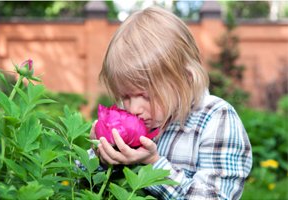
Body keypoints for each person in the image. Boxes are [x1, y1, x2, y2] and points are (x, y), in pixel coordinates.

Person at [90, 6, 252, 200]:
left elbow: (214, 197)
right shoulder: (135, 122)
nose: (133, 109)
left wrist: (153, 165)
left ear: (185, 78)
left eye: (146, 96)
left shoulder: (216, 119)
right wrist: (100, 156)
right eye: (125, 97)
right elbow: (80, 180)